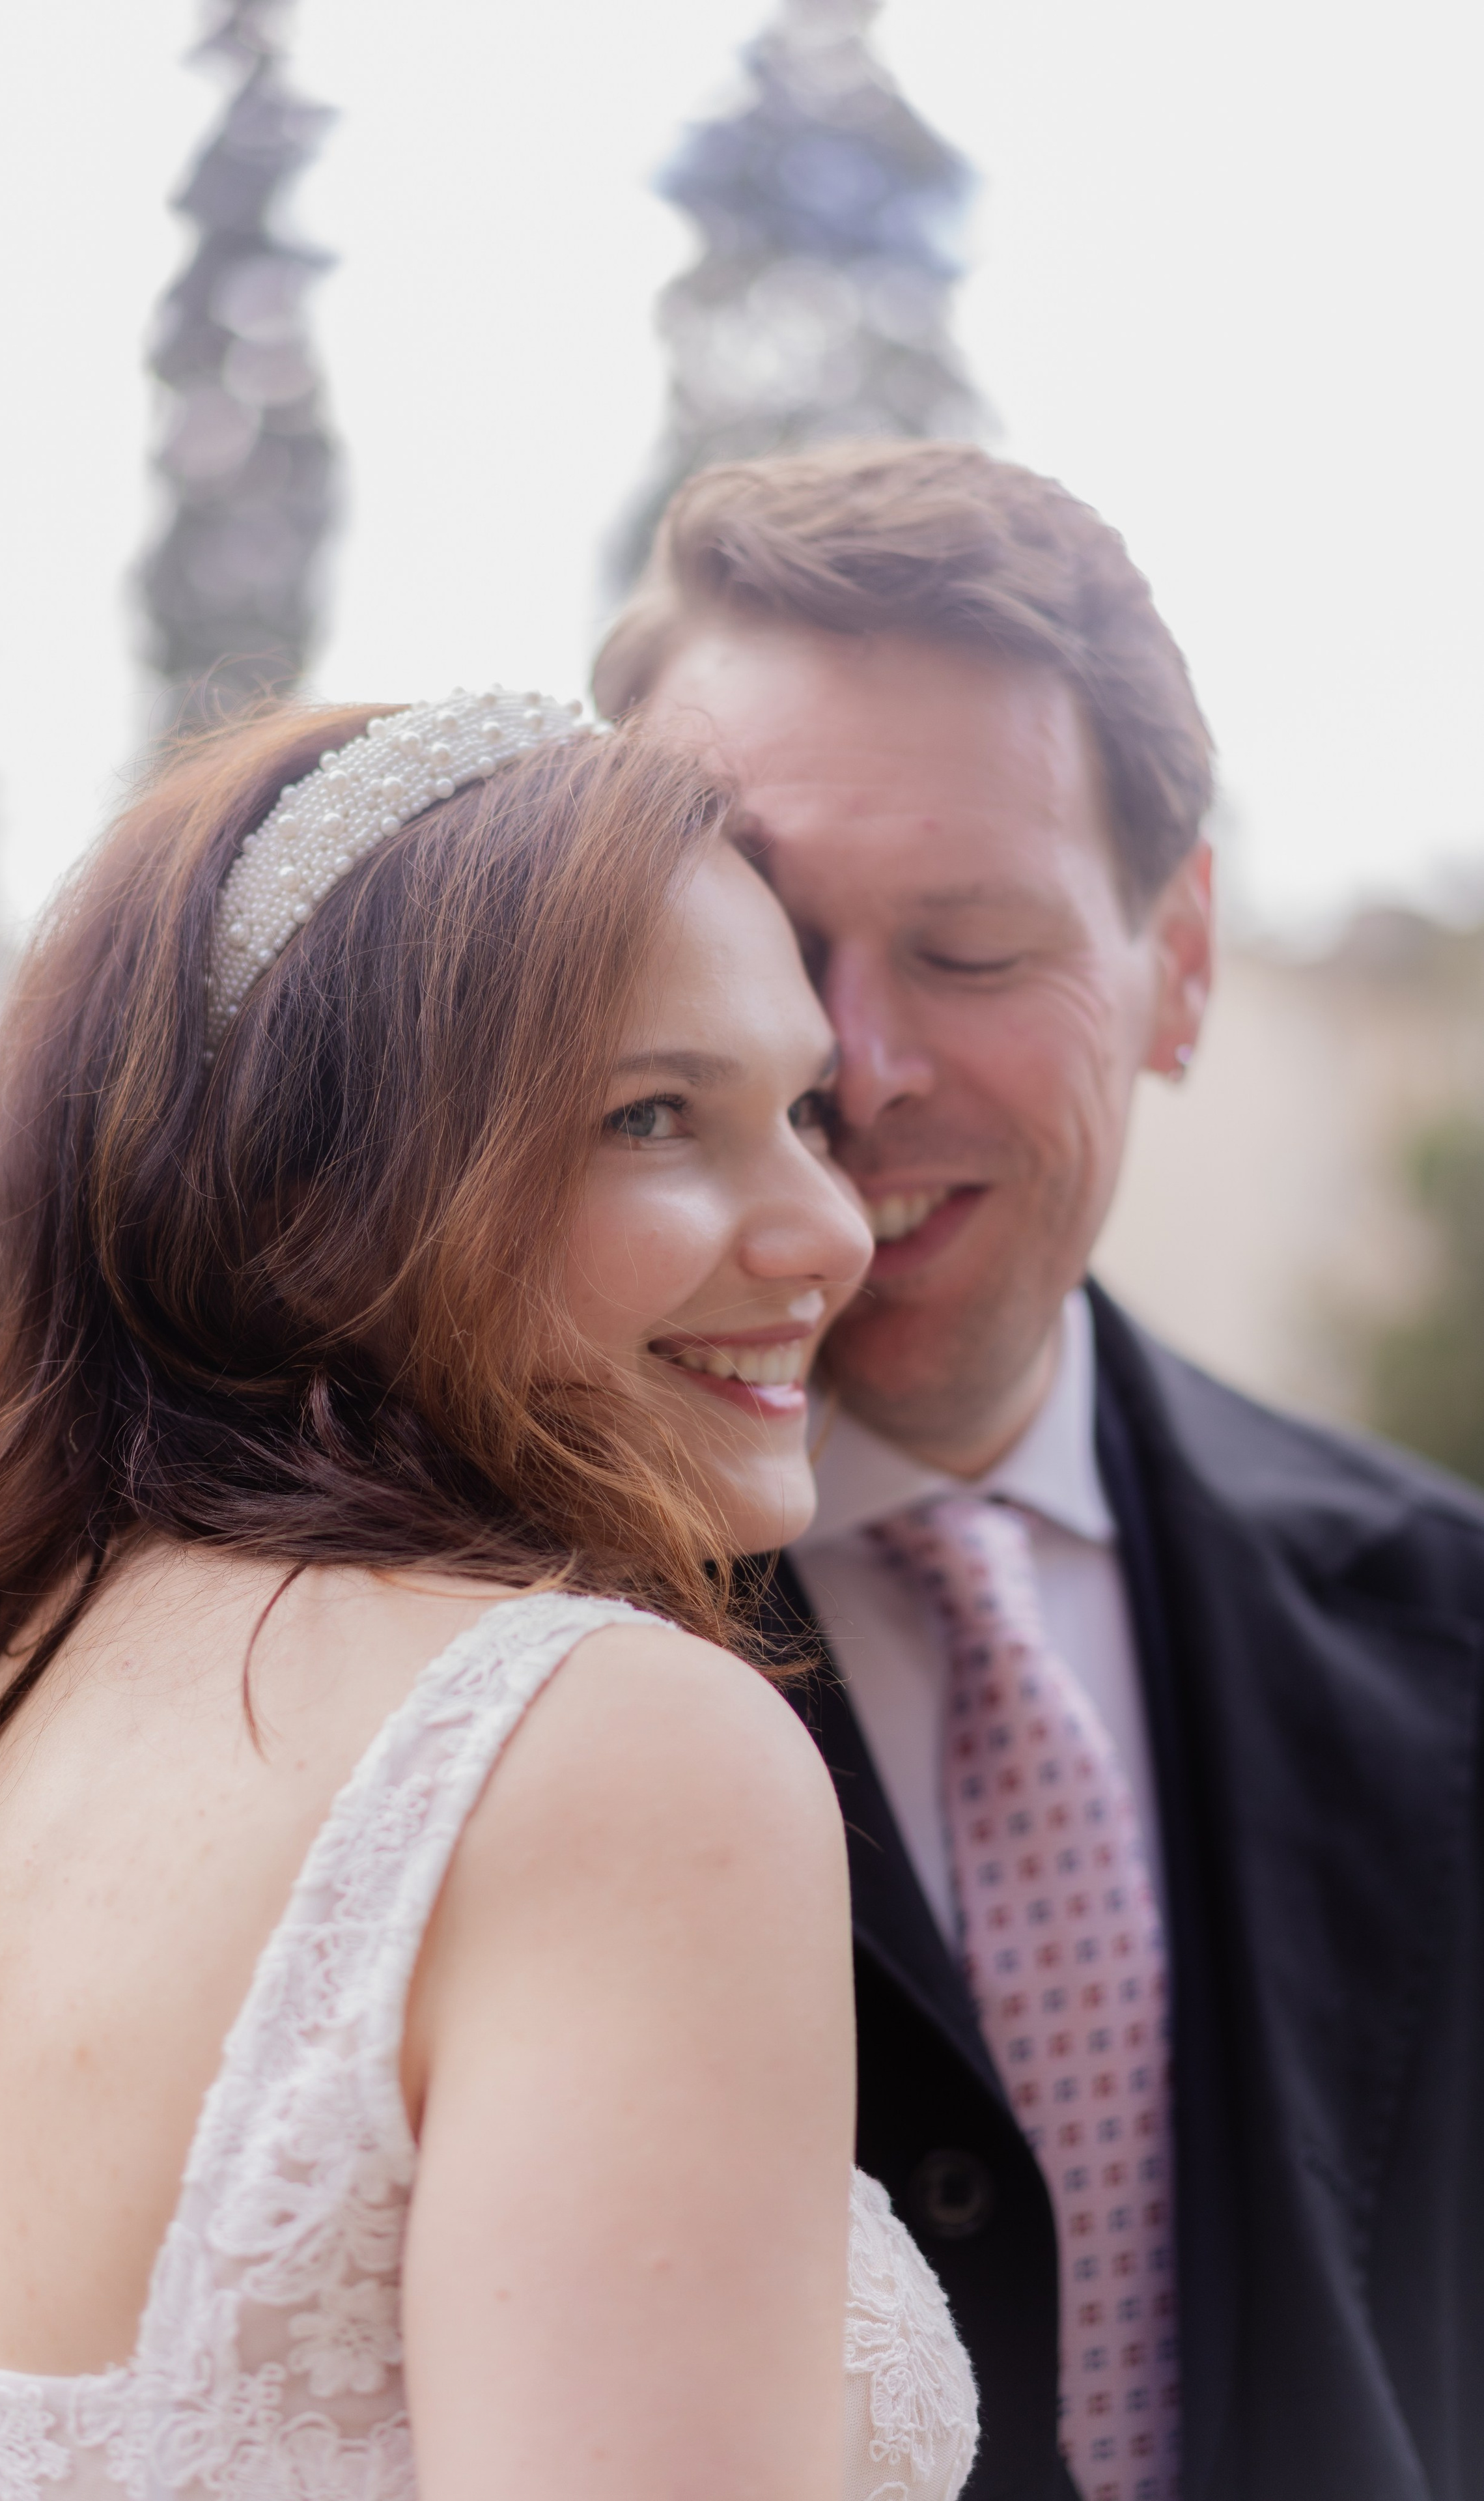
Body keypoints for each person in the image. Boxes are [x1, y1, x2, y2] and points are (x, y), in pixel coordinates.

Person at [0, 694, 981, 2501]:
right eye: (655, 1115)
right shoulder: (607, 1752)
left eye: (807, 1108)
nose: (830, 1226)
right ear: (311, 1188)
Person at [595, 441, 1484, 2501]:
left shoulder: (1448, 1621)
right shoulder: (454, 1629)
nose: (854, 1069)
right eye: (761, 938)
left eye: (973, 953)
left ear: (1179, 962)